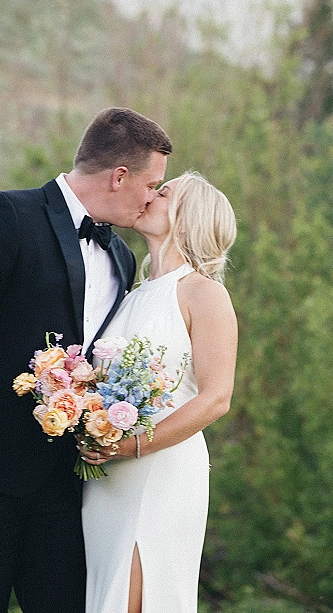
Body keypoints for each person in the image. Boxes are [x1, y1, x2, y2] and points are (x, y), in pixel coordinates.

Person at [0, 107, 172, 613]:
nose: (153, 197)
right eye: (151, 184)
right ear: (119, 177)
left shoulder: (122, 257)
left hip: (68, 482)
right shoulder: (5, 215)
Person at [80, 171, 238, 613]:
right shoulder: (130, 294)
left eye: (162, 192)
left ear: (188, 218)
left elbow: (216, 397)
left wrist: (132, 446)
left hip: (161, 469)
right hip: (106, 481)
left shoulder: (204, 294)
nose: (148, 195)